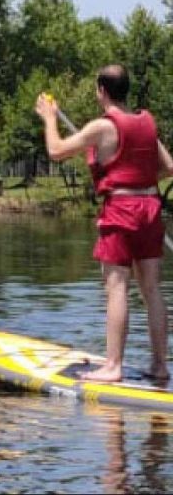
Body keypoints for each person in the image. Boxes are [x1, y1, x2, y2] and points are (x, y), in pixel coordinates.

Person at [35, 64, 172, 381]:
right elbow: (168, 166)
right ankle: (160, 365)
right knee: (152, 289)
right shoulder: (146, 121)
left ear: (102, 91)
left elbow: (56, 151)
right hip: (149, 206)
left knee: (117, 288)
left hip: (121, 210)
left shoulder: (103, 127)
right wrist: (138, 180)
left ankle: (113, 366)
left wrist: (50, 118)